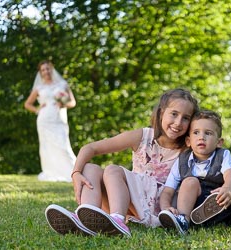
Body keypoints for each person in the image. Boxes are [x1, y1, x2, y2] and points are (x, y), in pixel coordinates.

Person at [44, 88, 199, 237]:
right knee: (90, 168)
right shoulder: (143, 136)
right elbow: (90, 148)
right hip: (129, 202)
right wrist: (76, 173)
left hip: (158, 207)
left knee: (112, 170)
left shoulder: (189, 147)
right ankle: (85, 218)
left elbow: (213, 167)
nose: (178, 122)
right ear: (161, 113)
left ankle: (118, 220)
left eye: (186, 118)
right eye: (174, 114)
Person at [158, 110, 231, 235]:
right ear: (188, 141)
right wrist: (166, 207)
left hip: (222, 202)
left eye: (208, 133)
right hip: (195, 208)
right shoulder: (181, 161)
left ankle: (226, 207)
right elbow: (167, 191)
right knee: (189, 181)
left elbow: (230, 173)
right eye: (196, 133)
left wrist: (228, 188)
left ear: (219, 142)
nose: (201, 137)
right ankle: (183, 220)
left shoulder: (223, 155)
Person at [24, 60, 77, 182]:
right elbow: (27, 104)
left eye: (47, 69)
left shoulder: (62, 84)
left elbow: (72, 102)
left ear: (51, 69)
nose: (46, 71)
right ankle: (51, 172)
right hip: (44, 120)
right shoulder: (39, 87)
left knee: (63, 144)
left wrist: (63, 104)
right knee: (47, 147)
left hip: (59, 119)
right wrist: (37, 109)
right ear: (40, 73)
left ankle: (73, 171)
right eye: (43, 70)